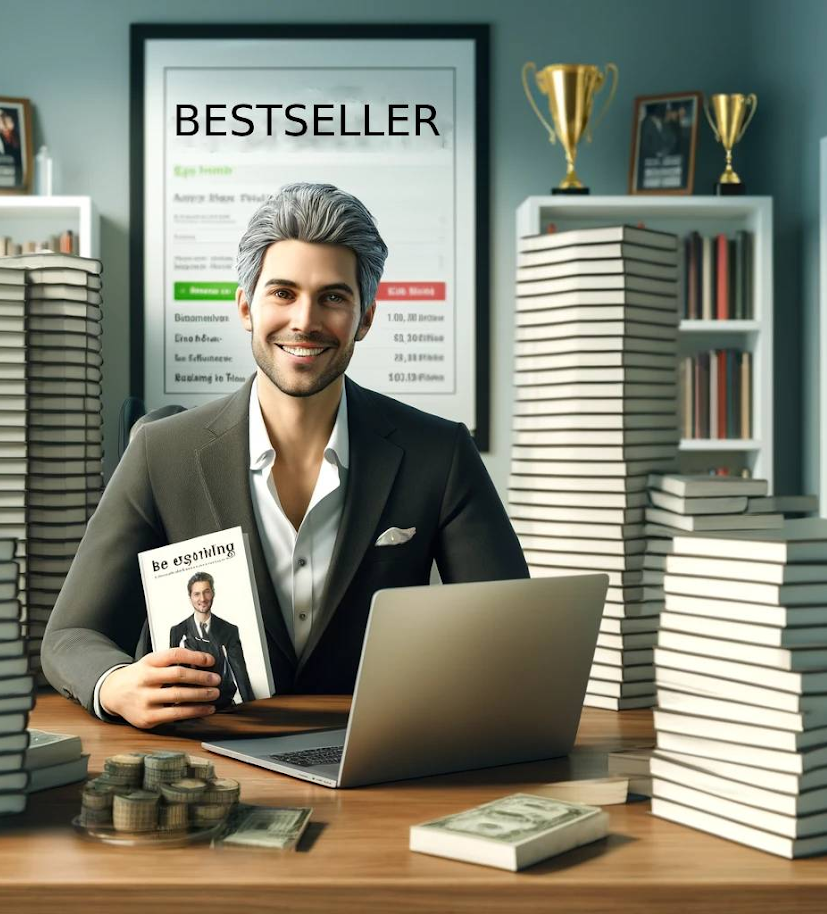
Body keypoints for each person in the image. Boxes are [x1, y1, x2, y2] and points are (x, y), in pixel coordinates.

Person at [42, 182, 528, 729]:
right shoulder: (161, 450)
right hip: (205, 761)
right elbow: (70, 636)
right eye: (283, 293)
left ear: (364, 318)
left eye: (333, 297)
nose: (305, 320)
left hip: (378, 755)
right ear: (247, 307)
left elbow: (510, 637)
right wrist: (115, 684)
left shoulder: (440, 453)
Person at [167, 572, 252, 710]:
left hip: (223, 703)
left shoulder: (229, 630)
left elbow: (240, 671)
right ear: (190, 598)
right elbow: (173, 673)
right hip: (191, 706)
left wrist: (251, 706)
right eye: (197, 594)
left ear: (213, 593)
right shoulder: (177, 631)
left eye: (206, 592)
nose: (202, 598)